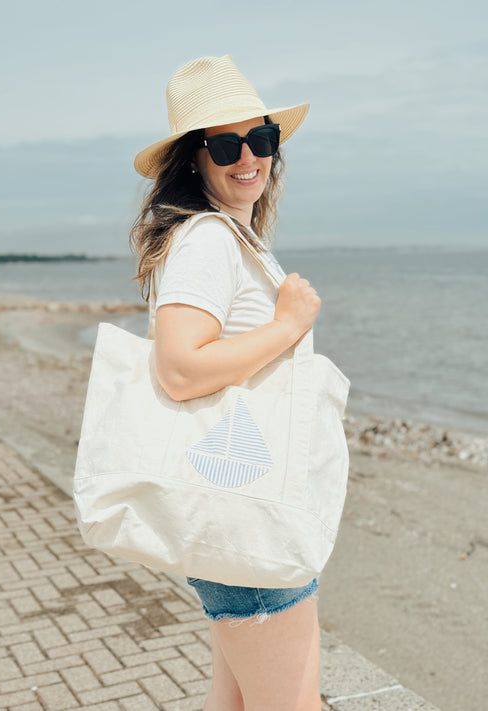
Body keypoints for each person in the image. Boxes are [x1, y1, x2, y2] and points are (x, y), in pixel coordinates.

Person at [130, 55, 323, 711]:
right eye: (225, 144)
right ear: (194, 158)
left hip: (237, 506)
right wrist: (289, 323)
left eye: (261, 139)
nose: (249, 157)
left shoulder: (229, 237)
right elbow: (179, 368)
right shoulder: (207, 241)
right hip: (248, 516)